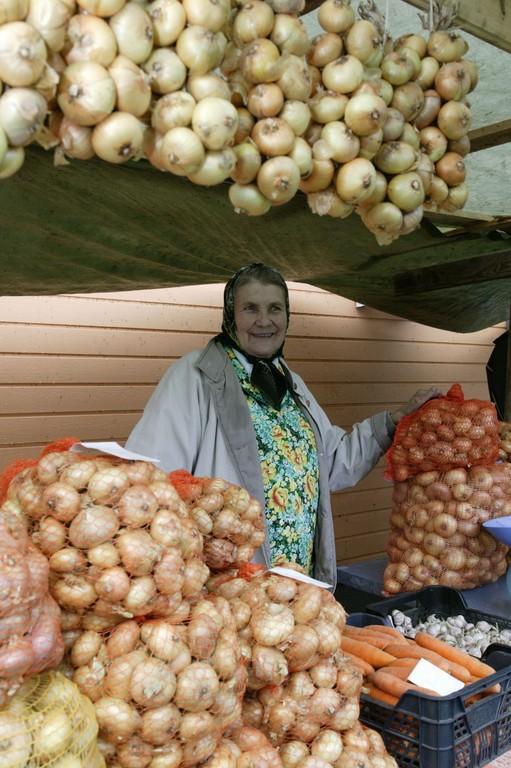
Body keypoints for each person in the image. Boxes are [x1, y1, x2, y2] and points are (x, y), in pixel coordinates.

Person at [126, 263, 439, 586]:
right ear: (231, 315)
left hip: (295, 585)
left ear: (287, 317)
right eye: (250, 308)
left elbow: (331, 462)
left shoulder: (290, 382)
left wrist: (391, 423)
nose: (264, 321)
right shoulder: (196, 376)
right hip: (228, 584)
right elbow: (154, 480)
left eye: (275, 308)